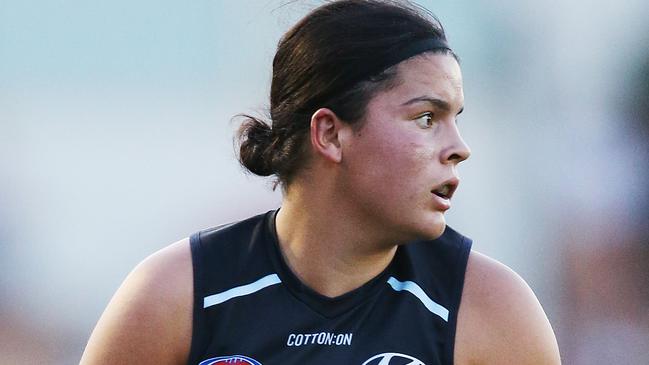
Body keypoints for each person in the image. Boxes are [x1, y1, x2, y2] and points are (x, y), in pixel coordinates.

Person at [80, 1, 561, 364]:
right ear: (330, 133)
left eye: (455, 118)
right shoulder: (176, 295)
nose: (459, 146)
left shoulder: (494, 311)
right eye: (426, 118)